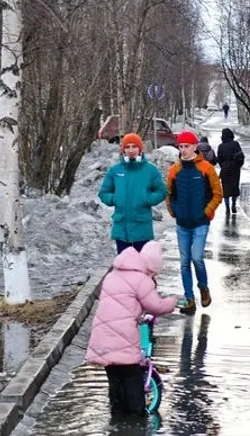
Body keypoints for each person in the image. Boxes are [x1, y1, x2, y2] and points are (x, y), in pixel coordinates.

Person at [85, 241, 177, 416]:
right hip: (123, 336)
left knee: (114, 377)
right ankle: (136, 419)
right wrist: (172, 302)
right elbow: (155, 305)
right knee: (131, 376)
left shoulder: (112, 275)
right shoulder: (141, 280)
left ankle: (117, 415)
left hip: (102, 335)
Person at [166, 131, 222, 315]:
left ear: (195, 147)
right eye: (181, 147)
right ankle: (189, 298)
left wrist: (206, 211)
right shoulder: (175, 170)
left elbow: (217, 193)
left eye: (187, 146)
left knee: (197, 258)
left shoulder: (206, 168)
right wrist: (174, 210)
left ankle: (203, 287)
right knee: (184, 262)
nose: (183, 150)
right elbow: (169, 194)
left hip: (200, 223)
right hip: (182, 224)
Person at [99, 133, 168, 254]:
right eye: (127, 147)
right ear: (123, 150)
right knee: (124, 267)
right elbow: (104, 193)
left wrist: (147, 199)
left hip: (142, 227)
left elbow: (162, 191)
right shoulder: (115, 170)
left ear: (140, 148)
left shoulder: (150, 170)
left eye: (134, 146)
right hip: (121, 228)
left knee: (141, 267)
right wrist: (115, 199)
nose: (131, 150)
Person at [215, 128, 245, 214]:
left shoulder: (220, 146)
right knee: (234, 187)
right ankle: (234, 204)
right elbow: (241, 156)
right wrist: (238, 166)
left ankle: (227, 206)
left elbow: (220, 159)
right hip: (235, 169)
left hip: (225, 170)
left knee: (226, 189)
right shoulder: (235, 144)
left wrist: (224, 166)